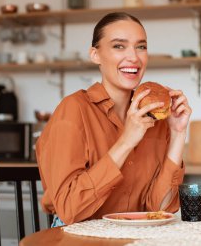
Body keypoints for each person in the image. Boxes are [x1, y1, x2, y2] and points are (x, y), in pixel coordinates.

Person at [36, 12, 192, 227]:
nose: (134, 57)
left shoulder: (154, 117)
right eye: (119, 46)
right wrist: (127, 141)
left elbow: (160, 210)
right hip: (76, 237)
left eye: (141, 47)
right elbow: (70, 209)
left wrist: (177, 134)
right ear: (95, 55)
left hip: (133, 237)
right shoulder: (73, 110)